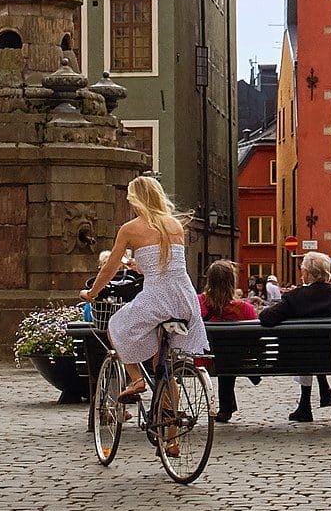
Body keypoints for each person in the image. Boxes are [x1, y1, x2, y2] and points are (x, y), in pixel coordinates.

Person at [80, 175, 207, 408]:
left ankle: (137, 380)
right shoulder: (174, 225)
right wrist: (138, 265)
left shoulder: (130, 229)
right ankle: (171, 436)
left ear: (136, 200)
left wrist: (92, 293)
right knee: (164, 367)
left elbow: (109, 267)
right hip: (185, 300)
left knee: (116, 328)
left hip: (157, 300)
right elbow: (167, 265)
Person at [260, 251, 331, 422]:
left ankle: (305, 405)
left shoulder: (295, 297)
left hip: (299, 358)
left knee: (305, 346)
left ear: (307, 273)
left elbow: (266, 318)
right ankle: (321, 395)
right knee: (317, 345)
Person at [197, 260, 259, 423]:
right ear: (232, 281)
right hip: (236, 360)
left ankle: (226, 407)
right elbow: (256, 337)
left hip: (205, 358)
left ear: (209, 280)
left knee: (221, 353)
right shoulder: (244, 308)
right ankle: (227, 406)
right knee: (229, 354)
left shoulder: (198, 303)